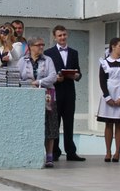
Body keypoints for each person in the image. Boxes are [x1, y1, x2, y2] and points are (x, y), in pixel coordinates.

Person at [18, 37, 58, 168]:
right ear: (30, 47)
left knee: (50, 125)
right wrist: (28, 84)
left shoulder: (48, 60)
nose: (41, 47)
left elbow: (53, 76)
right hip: (28, 96)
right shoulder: (22, 61)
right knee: (29, 124)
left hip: (47, 95)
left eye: (42, 44)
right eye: (38, 45)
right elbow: (17, 77)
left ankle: (49, 156)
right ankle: (30, 154)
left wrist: (38, 82)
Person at [46, 25, 84, 161]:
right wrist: (55, 78)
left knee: (69, 122)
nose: (62, 37)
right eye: (59, 35)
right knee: (54, 123)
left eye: (64, 35)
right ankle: (55, 152)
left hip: (69, 92)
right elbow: (46, 73)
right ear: (55, 37)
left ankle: (71, 152)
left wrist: (76, 76)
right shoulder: (48, 53)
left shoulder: (74, 52)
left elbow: (78, 72)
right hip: (55, 91)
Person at [97, 37, 120, 163]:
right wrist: (107, 97)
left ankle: (117, 152)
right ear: (113, 46)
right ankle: (108, 151)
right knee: (108, 124)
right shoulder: (104, 62)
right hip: (109, 94)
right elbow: (102, 80)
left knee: (119, 124)